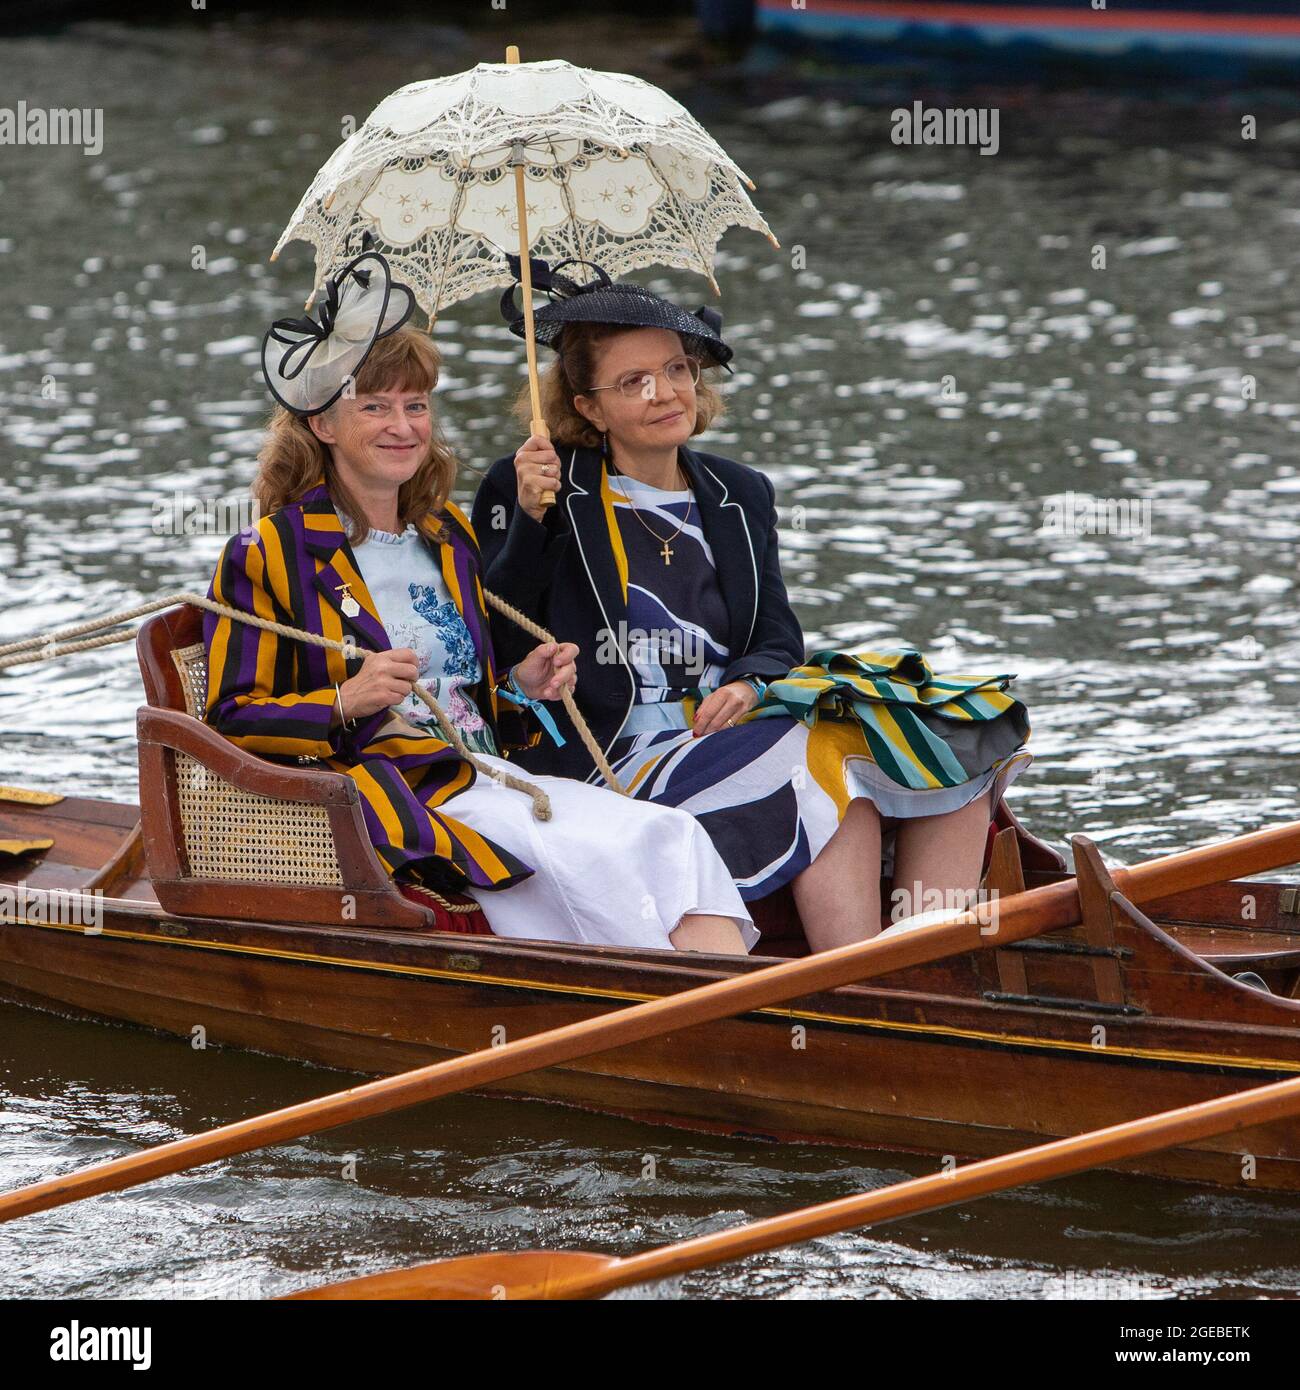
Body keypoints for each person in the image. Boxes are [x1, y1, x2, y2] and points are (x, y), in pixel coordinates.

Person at [203, 248, 755, 955]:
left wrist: (520, 684)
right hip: (402, 790)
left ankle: (730, 1018)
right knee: (601, 854)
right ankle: (702, 1023)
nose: (402, 425)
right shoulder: (270, 552)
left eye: (415, 405)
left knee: (670, 833)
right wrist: (348, 701)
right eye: (374, 406)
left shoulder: (446, 533)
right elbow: (229, 716)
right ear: (324, 425)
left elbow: (470, 689)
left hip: (492, 773)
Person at [473, 256, 1032, 952]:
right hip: (614, 753)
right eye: (634, 382)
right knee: (819, 750)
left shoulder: (741, 493)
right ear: (587, 406)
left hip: (730, 727)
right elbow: (493, 631)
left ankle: (929, 956)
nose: (665, 392)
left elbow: (775, 640)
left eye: (677, 369)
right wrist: (529, 518)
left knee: (951, 722)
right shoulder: (537, 485)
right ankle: (852, 974)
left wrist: (746, 682)